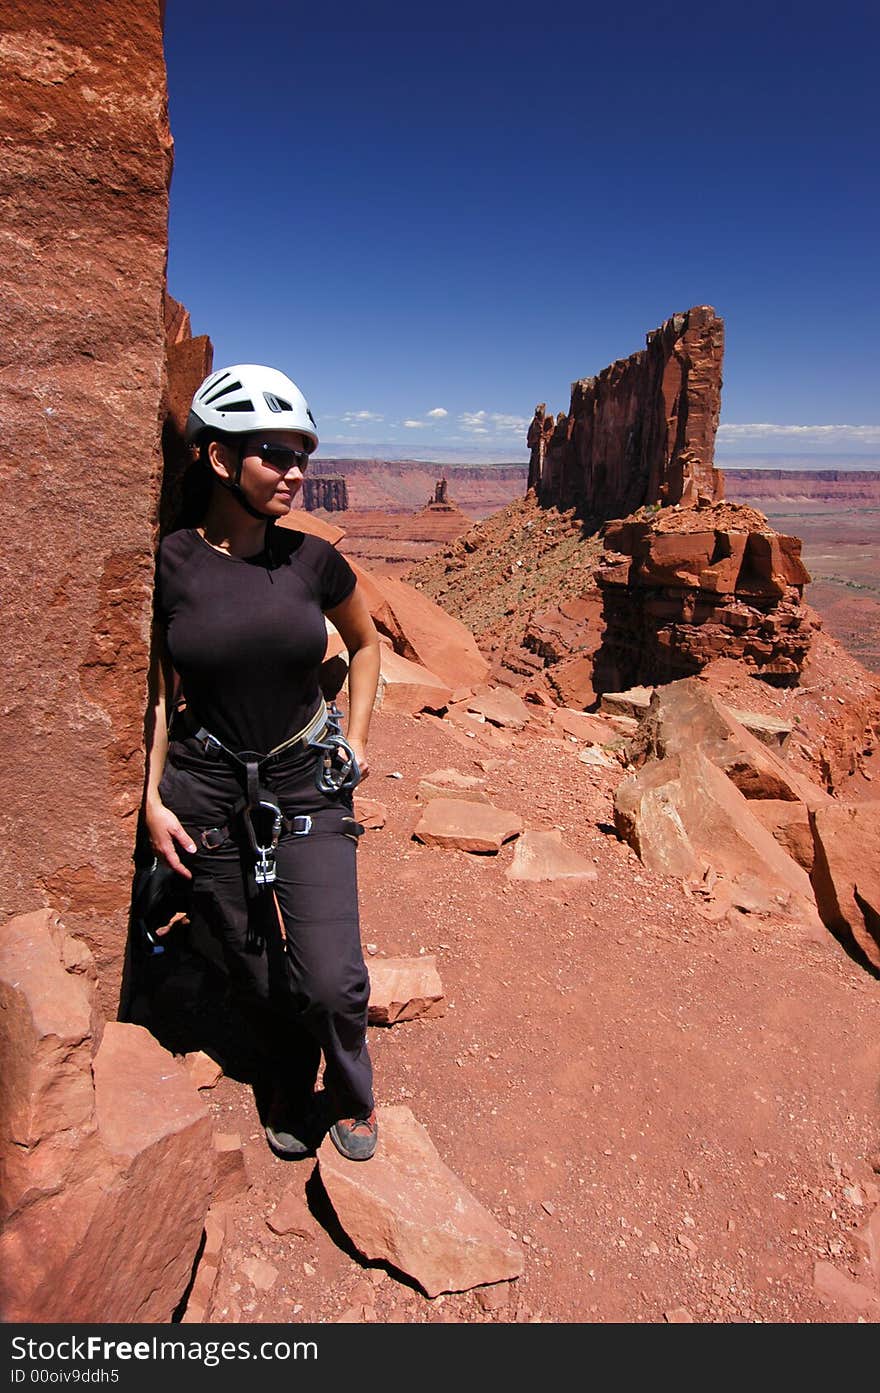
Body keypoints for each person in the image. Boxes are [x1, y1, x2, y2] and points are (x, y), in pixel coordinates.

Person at [143, 364, 381, 1161]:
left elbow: (369, 642)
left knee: (332, 978)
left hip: (305, 777)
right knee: (250, 961)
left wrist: (362, 740)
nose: (297, 473)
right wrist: (151, 797)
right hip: (206, 788)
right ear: (219, 460)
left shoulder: (312, 562)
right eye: (276, 453)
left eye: (303, 455)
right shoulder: (171, 562)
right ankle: (285, 1068)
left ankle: (351, 1090)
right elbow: (150, 694)